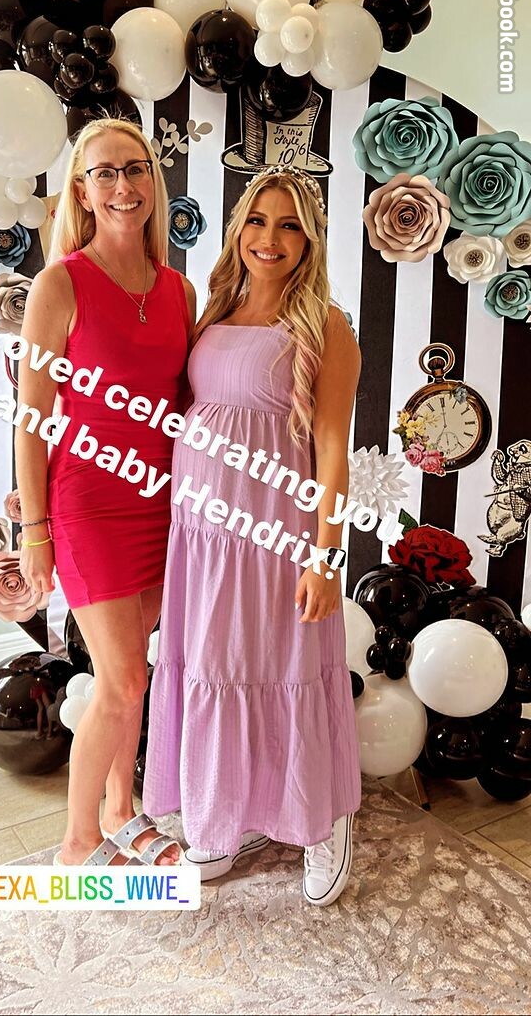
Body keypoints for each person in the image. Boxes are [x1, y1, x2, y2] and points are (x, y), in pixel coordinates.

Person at [143, 164, 362, 905]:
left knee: (289, 666)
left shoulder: (327, 326)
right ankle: (225, 813)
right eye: (259, 221)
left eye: (290, 224)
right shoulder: (213, 310)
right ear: (239, 230)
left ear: (310, 240)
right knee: (216, 665)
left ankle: (323, 821)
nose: (271, 238)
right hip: (203, 535)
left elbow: (330, 448)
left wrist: (326, 557)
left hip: (278, 534)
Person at [16, 117, 196, 868]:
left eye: (136, 168)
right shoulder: (60, 284)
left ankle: (122, 812)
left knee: (132, 675)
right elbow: (32, 420)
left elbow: (187, 404)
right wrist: (34, 531)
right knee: (122, 680)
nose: (124, 185)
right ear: (83, 193)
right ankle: (77, 841)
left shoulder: (179, 289)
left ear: (152, 181)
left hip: (162, 503)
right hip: (90, 505)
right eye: (105, 173)